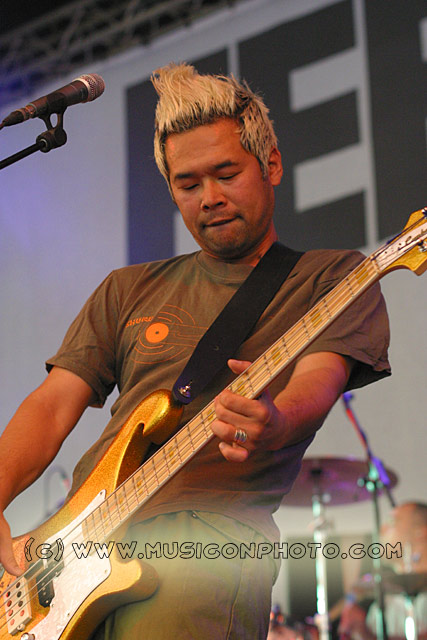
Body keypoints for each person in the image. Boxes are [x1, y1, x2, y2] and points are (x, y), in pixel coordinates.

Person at [0, 63, 391, 639]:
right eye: (188, 185)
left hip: (205, 544)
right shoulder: (127, 288)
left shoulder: (330, 276)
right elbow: (53, 404)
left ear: (271, 164)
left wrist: (278, 421)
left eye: (227, 174)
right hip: (70, 554)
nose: (210, 198)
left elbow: (319, 379)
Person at [339, 502, 427, 640]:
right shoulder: (383, 603)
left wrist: (363, 633)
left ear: (420, 533)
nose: (381, 530)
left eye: (392, 522)